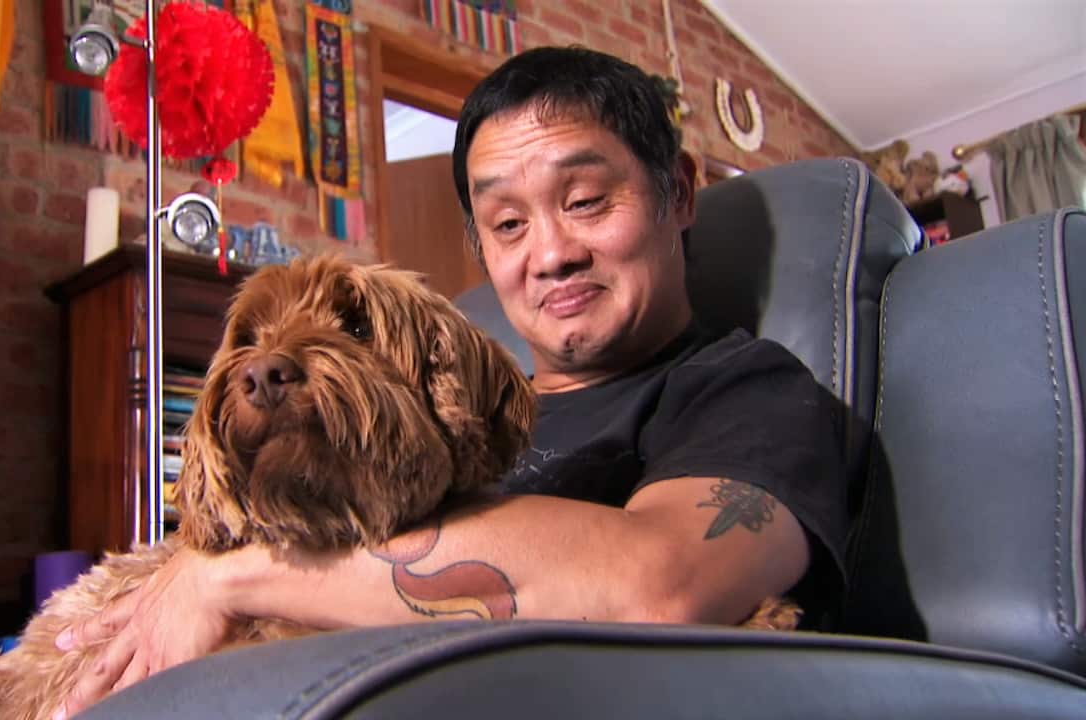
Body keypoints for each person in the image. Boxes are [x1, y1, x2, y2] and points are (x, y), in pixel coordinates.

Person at [51, 46, 847, 719]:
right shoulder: (442, 422)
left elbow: (660, 589)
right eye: (508, 225)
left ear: (676, 191)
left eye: (587, 200)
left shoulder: (749, 390)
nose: (551, 251)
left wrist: (226, 580)